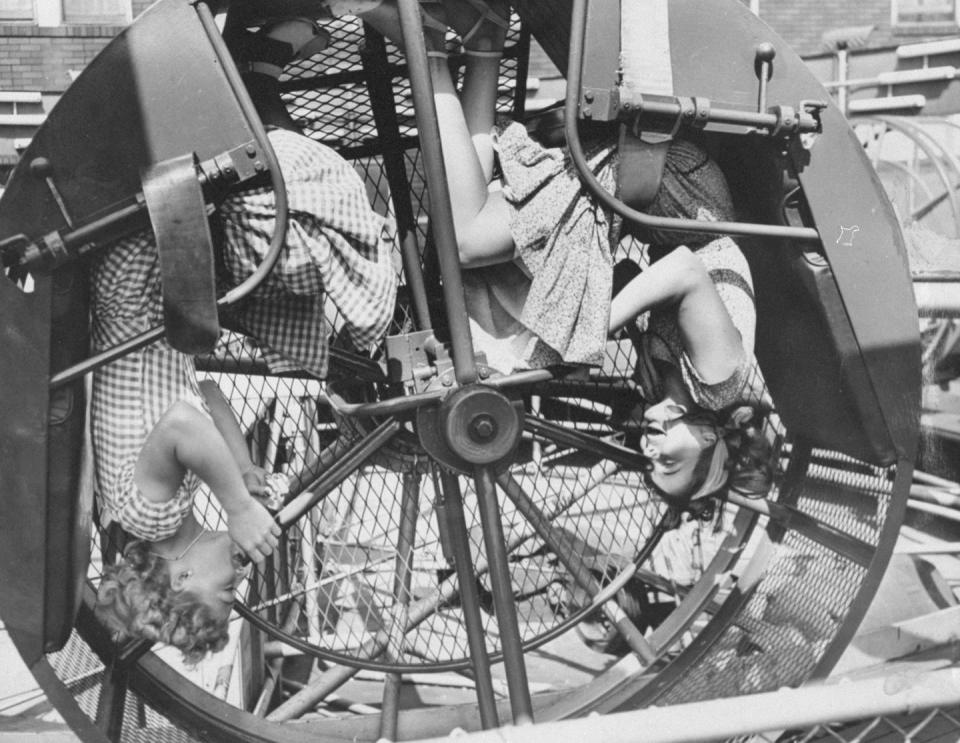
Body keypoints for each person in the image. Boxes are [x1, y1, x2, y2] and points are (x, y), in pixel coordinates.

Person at [360, 0, 775, 514]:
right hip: (670, 184)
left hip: (647, 216)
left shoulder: (669, 391)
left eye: (650, 465)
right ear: (712, 445)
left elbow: (631, 275)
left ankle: (484, 42)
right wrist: (592, 331)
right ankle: (430, 55)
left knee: (485, 254)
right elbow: (686, 271)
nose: (649, 452)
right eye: (669, 461)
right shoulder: (724, 385)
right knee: (467, 240)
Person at [93, 14, 399, 661]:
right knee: (270, 248)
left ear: (179, 578)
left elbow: (180, 420)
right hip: (152, 302)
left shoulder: (145, 520)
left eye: (225, 590)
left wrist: (235, 500)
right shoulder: (151, 518)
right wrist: (243, 464)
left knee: (284, 235)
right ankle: (254, 69)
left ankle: (255, 91)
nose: (239, 580)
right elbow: (203, 392)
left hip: (138, 287)